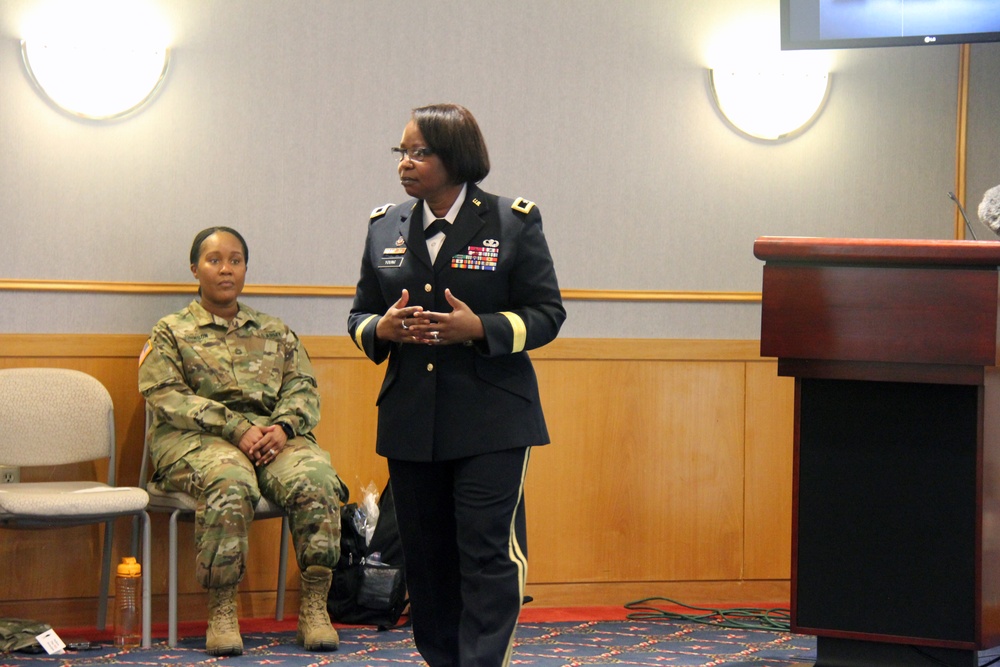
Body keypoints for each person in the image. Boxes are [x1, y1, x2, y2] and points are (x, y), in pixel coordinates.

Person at [348, 103, 566, 667]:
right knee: (426, 558)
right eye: (401, 152)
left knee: (487, 550)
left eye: (420, 152)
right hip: (412, 419)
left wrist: (480, 329)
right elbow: (359, 317)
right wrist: (384, 329)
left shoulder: (512, 220)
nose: (406, 163)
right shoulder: (384, 226)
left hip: (492, 418)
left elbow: (546, 314)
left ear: (456, 157)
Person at [139, 226, 349, 656]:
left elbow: (303, 388)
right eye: (214, 260)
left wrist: (284, 428)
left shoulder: (275, 331)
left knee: (317, 478)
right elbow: (165, 397)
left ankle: (314, 606)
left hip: (272, 438)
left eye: (235, 260)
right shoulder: (171, 332)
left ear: (246, 269)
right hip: (195, 441)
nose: (226, 269)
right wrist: (236, 428)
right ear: (195, 268)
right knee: (230, 480)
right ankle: (222, 609)